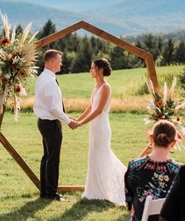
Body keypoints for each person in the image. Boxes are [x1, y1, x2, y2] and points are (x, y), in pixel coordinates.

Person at [76, 58, 125, 204]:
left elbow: (98, 110)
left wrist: (80, 124)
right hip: (93, 127)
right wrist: (78, 120)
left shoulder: (105, 87)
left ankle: (112, 186)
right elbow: (90, 107)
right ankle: (94, 189)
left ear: (100, 70)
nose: (90, 70)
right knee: (94, 154)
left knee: (102, 155)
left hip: (101, 127)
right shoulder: (96, 87)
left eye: (93, 68)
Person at [124, 120, 180, 221]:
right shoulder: (180, 172)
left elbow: (129, 201)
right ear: (174, 143)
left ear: (151, 138)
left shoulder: (133, 166)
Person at [34, 49, 78, 201]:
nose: (61, 63)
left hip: (44, 122)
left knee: (47, 157)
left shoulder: (43, 78)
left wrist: (65, 116)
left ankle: (45, 192)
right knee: (52, 159)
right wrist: (68, 122)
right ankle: (51, 193)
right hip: (50, 124)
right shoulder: (50, 81)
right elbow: (53, 107)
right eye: (59, 60)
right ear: (52, 61)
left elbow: (51, 106)